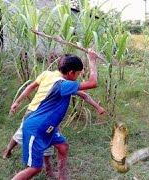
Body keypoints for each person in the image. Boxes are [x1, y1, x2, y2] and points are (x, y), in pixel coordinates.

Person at [10, 50, 100, 180]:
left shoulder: (60, 82)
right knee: (35, 168)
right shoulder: (63, 85)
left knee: (63, 147)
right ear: (70, 73)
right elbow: (93, 83)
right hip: (36, 129)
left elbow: (83, 93)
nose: (78, 76)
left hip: (48, 127)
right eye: (78, 74)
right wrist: (92, 61)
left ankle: (62, 177)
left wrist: (97, 106)